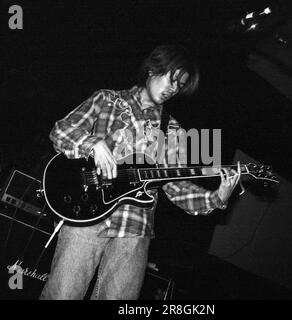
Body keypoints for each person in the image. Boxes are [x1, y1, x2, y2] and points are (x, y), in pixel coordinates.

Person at [40, 45, 241, 300]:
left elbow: (175, 187)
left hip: (136, 229)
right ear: (153, 69)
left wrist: (217, 197)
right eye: (172, 79)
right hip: (87, 217)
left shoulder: (173, 131)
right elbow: (61, 130)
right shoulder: (107, 100)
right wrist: (93, 144)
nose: (173, 88)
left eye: (179, 86)